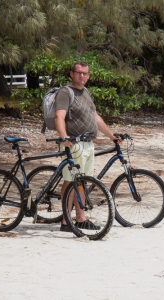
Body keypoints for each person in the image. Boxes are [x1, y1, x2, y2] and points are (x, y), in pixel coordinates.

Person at [55, 61, 120, 232]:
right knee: (70, 181)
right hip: (73, 144)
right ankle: (65, 220)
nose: (82, 76)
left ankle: (81, 218)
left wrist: (111, 136)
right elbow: (59, 116)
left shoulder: (86, 93)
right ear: (71, 74)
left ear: (89, 76)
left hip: (88, 144)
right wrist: (64, 137)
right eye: (78, 73)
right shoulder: (65, 92)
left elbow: (95, 117)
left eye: (85, 73)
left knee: (82, 181)